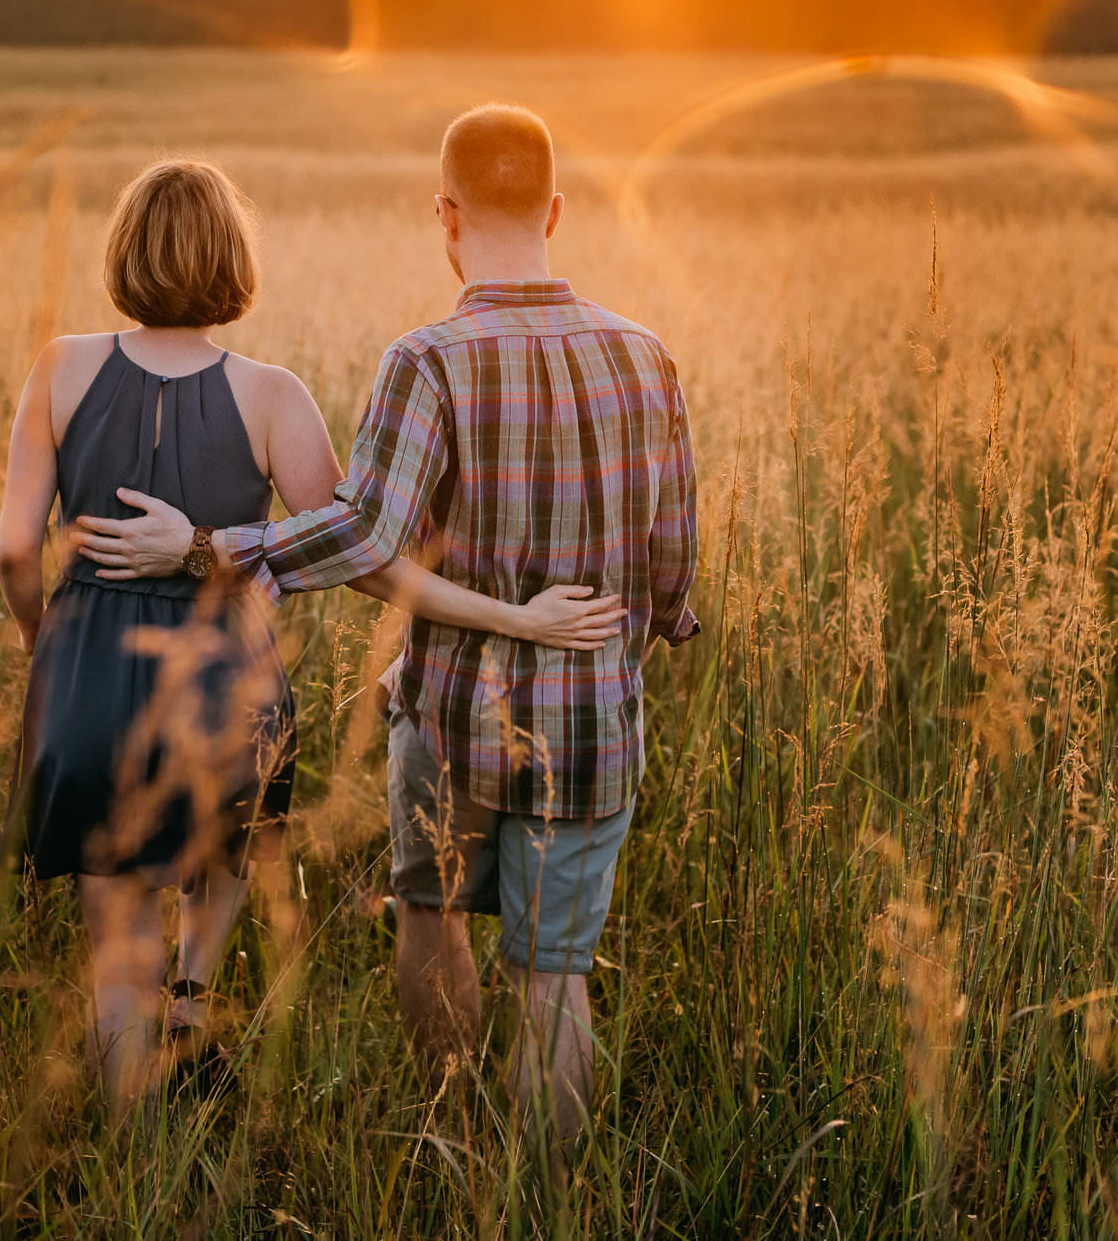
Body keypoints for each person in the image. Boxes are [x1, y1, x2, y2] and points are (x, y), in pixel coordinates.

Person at [78, 105, 701, 1144]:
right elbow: (672, 562)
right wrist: (645, 629)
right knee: (555, 978)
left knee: (432, 915)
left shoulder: (428, 359)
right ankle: (544, 1203)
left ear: (444, 215)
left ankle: (451, 1143)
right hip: (595, 718)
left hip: (452, 715)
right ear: (553, 209)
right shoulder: (647, 358)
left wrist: (210, 549)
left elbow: (366, 537)